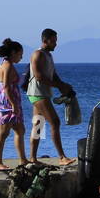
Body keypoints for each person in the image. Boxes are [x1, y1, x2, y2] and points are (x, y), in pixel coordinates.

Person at [27, 28, 76, 165]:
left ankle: (32, 158)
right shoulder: (37, 54)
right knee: (55, 122)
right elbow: (39, 76)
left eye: (56, 41)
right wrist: (57, 85)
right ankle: (62, 157)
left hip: (43, 94)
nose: (56, 44)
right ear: (45, 41)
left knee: (38, 125)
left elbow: (52, 74)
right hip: (37, 93)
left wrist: (63, 85)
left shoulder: (48, 56)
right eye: (53, 41)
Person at [0, 39, 28, 170]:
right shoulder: (7, 66)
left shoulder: (7, 64)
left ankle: (23, 160)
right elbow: (6, 87)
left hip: (12, 101)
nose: (21, 57)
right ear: (13, 53)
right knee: (3, 132)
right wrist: (14, 104)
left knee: (20, 129)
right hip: (6, 103)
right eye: (20, 54)